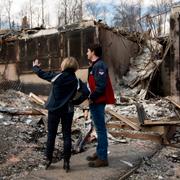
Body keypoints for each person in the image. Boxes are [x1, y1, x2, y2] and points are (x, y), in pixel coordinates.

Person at [32, 57, 79, 172]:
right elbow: (84, 92)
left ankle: (48, 160)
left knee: (51, 135)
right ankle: (66, 163)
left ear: (65, 65)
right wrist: (75, 101)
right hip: (68, 110)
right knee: (67, 135)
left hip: (54, 109)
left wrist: (35, 67)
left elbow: (43, 74)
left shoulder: (59, 76)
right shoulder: (75, 80)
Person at [86, 44, 115, 167]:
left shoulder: (100, 66)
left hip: (97, 101)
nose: (86, 53)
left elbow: (101, 87)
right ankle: (99, 152)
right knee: (98, 129)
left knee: (101, 130)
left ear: (93, 52)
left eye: (88, 51)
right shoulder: (94, 66)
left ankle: (103, 158)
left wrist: (90, 97)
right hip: (95, 101)